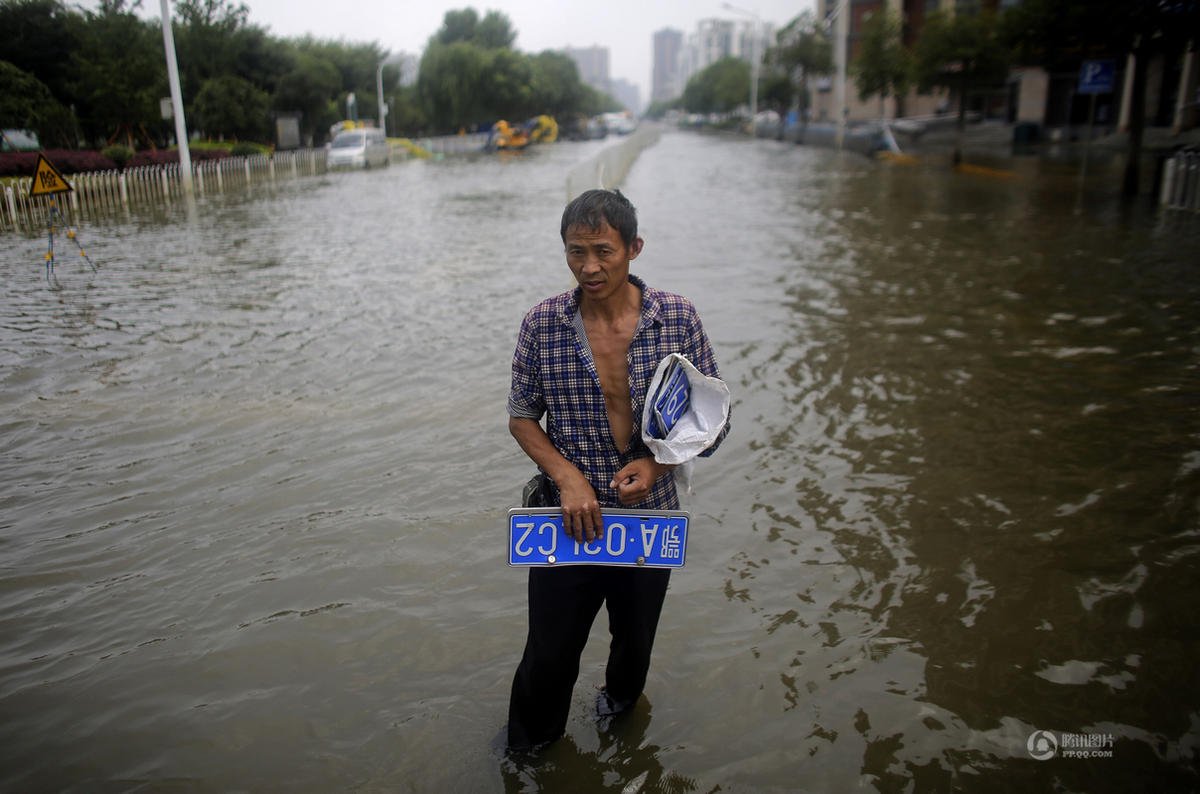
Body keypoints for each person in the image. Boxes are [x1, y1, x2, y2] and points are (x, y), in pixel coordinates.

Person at [505, 188, 729, 751]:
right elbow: (522, 417)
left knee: (634, 644)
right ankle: (530, 754)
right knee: (549, 652)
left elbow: (715, 421)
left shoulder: (677, 318)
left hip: (648, 520)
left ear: (634, 248)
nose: (590, 267)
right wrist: (568, 477)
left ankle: (621, 722)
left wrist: (656, 464)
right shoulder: (542, 324)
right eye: (576, 252)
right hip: (568, 521)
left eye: (603, 251)